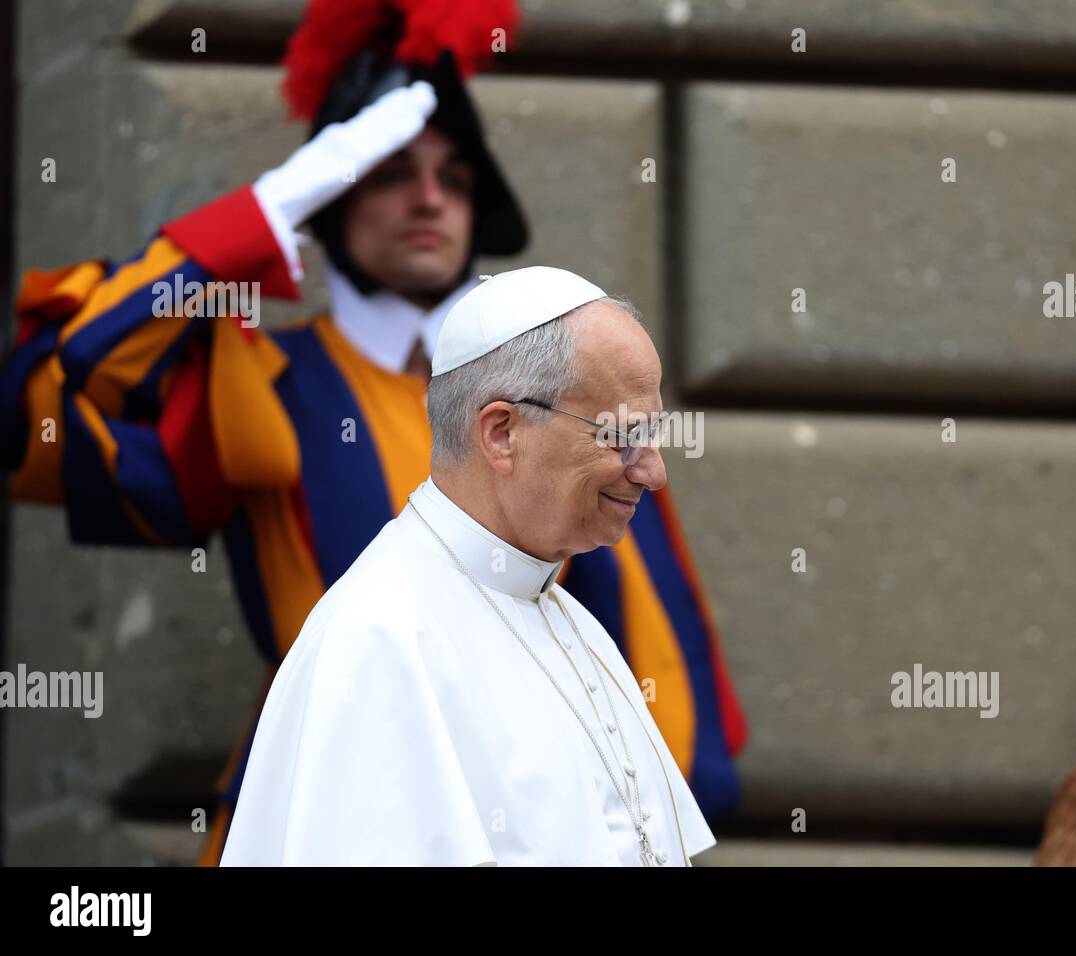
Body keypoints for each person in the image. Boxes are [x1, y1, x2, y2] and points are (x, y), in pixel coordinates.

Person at [0, 0, 746, 865]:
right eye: (388, 171)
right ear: (335, 191)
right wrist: (254, 220)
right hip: (341, 787)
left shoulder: (578, 392)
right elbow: (45, 406)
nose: (429, 197)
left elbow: (650, 639)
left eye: (454, 177)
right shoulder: (265, 381)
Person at [222, 266, 714, 866]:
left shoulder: (572, 624)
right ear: (502, 433)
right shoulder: (379, 639)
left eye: (654, 434)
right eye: (621, 436)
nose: (653, 472)